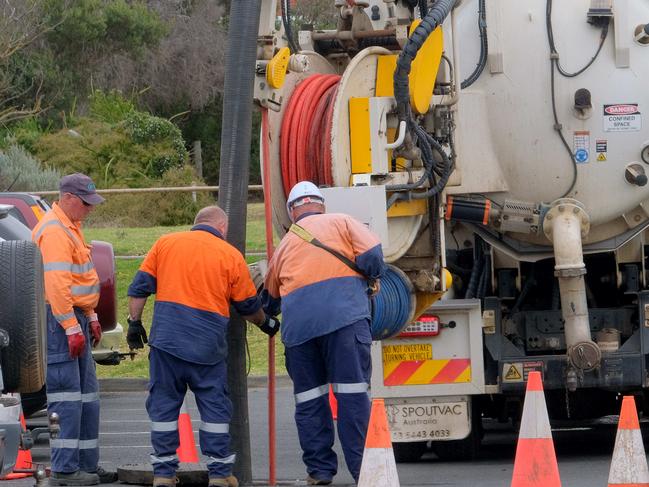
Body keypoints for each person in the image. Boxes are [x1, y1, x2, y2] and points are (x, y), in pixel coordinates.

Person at [126, 205, 279, 487]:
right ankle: (220, 474)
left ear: (197, 223)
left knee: (163, 407)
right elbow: (248, 307)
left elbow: (138, 288)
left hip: (166, 345)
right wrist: (266, 323)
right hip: (206, 348)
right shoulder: (230, 255)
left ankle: (163, 473)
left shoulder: (165, 243)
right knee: (214, 409)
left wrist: (134, 323)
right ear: (222, 228)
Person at [263, 181, 386, 485]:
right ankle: (363, 473)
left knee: (309, 400)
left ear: (293, 211)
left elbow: (270, 298)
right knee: (352, 396)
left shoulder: (286, 243)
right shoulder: (342, 221)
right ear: (321, 204)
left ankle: (319, 472)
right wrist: (369, 277)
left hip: (300, 333)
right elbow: (372, 255)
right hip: (345, 321)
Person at [32, 173, 116, 486]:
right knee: (66, 398)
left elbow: (81, 280)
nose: (89, 209)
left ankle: (86, 466)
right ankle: (66, 471)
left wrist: (91, 315)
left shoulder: (71, 227)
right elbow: (56, 286)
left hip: (73, 317)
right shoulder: (54, 231)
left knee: (87, 398)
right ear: (67, 197)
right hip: (59, 320)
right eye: (85, 203)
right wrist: (70, 327)